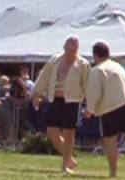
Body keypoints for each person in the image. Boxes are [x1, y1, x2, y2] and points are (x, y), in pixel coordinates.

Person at [85, 41, 125, 178]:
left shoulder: (97, 70)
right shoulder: (118, 66)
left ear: (95, 55)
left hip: (109, 108)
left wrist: (89, 109)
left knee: (110, 141)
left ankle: (113, 172)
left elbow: (94, 91)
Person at [32, 35, 90, 174]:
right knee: (52, 132)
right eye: (70, 44)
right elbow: (44, 77)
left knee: (69, 133)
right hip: (55, 99)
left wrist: (90, 105)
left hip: (73, 101)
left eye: (75, 45)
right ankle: (68, 157)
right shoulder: (55, 60)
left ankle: (65, 165)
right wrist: (36, 94)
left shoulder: (83, 64)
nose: (72, 47)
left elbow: (88, 85)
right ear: (64, 47)